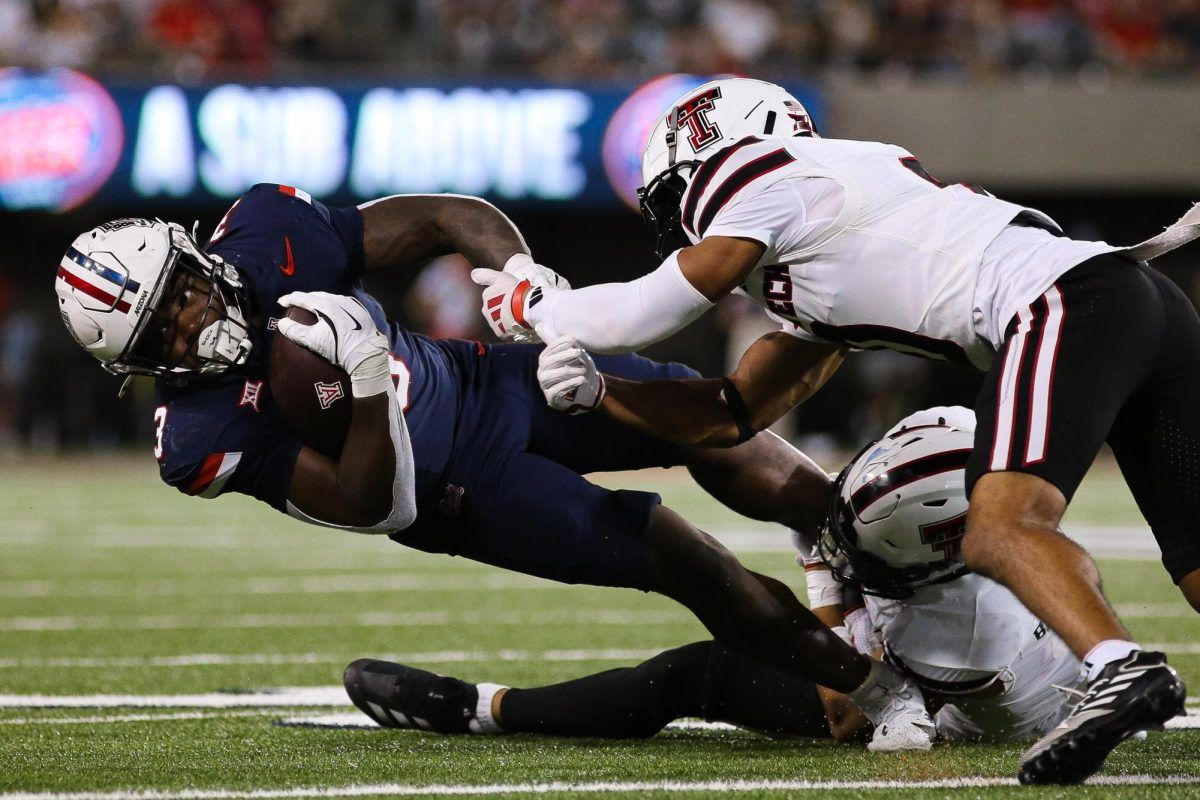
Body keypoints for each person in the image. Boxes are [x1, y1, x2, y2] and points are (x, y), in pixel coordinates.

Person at [473, 76, 1194, 784]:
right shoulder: (829, 221)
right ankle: (1120, 667)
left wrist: (541, 305)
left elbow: (638, 314)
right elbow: (733, 409)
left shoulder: (760, 170)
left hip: (1066, 304)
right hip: (1140, 303)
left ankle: (1121, 669)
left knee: (999, 526)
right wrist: (605, 393)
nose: (683, 220)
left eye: (675, 194)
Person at [53, 184, 937, 751]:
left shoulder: (269, 235)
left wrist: (521, 280)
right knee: (683, 555)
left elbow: (443, 217)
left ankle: (868, 558)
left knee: (705, 419)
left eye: (182, 297)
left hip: (490, 380)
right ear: (137, 366)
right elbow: (371, 502)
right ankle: (877, 687)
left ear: (196, 256)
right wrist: (363, 382)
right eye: (160, 337)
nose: (188, 329)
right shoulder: (198, 437)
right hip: (457, 494)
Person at [343, 408, 1092, 747]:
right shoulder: (982, 503)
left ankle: (477, 709)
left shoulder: (950, 633)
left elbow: (846, 702)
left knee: (695, 672)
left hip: (961, 705)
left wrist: (817, 560)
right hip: (1013, 644)